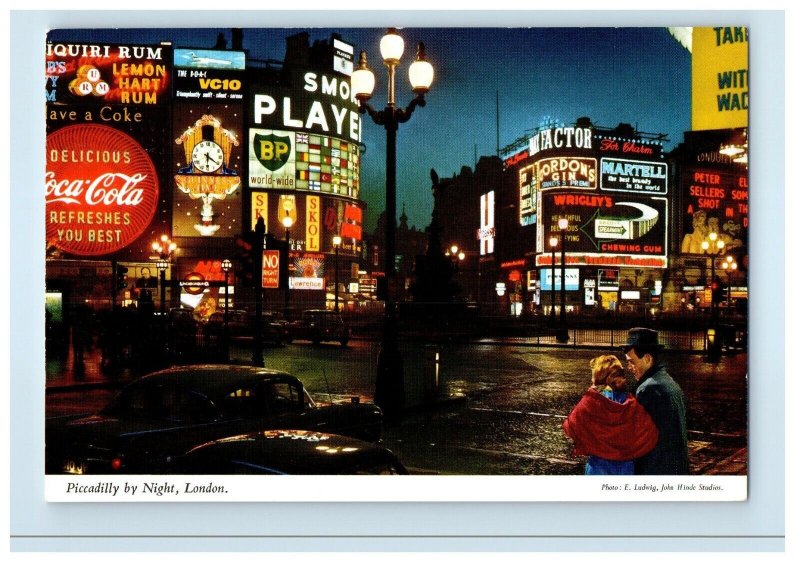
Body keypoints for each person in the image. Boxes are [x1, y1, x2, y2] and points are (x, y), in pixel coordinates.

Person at [563, 355, 659, 475]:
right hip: (625, 468)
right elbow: (649, 433)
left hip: (598, 467)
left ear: (598, 375)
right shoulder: (632, 404)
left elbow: (571, 426)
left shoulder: (591, 401)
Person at [622, 327, 690, 475]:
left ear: (647, 358)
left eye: (632, 362)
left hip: (656, 471)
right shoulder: (668, 381)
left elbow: (639, 439)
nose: (629, 367)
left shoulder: (648, 389)